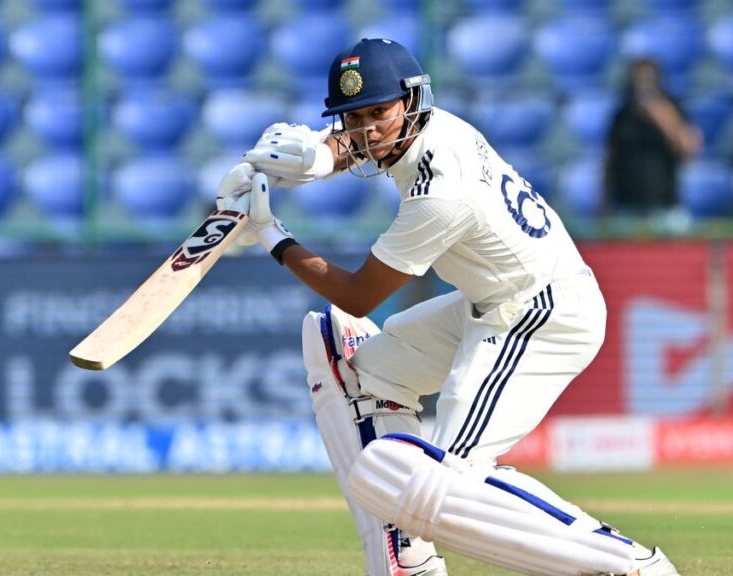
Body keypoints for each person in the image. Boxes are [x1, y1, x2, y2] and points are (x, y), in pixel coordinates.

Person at [217, 39, 680, 576]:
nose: (367, 130)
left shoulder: (441, 191)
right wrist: (307, 158)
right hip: (492, 303)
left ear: (411, 103)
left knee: (446, 482)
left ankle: (627, 565)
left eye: (379, 113)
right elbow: (355, 145)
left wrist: (270, 232)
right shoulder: (426, 126)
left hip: (540, 316)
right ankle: (405, 561)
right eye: (354, 117)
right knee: (359, 375)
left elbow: (358, 296)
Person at [604, 58, 701, 229]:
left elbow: (689, 149)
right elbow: (610, 158)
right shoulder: (623, 114)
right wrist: (604, 201)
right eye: (639, 80)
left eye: (649, 80)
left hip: (664, 204)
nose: (644, 86)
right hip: (628, 205)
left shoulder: (672, 107)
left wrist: (662, 115)